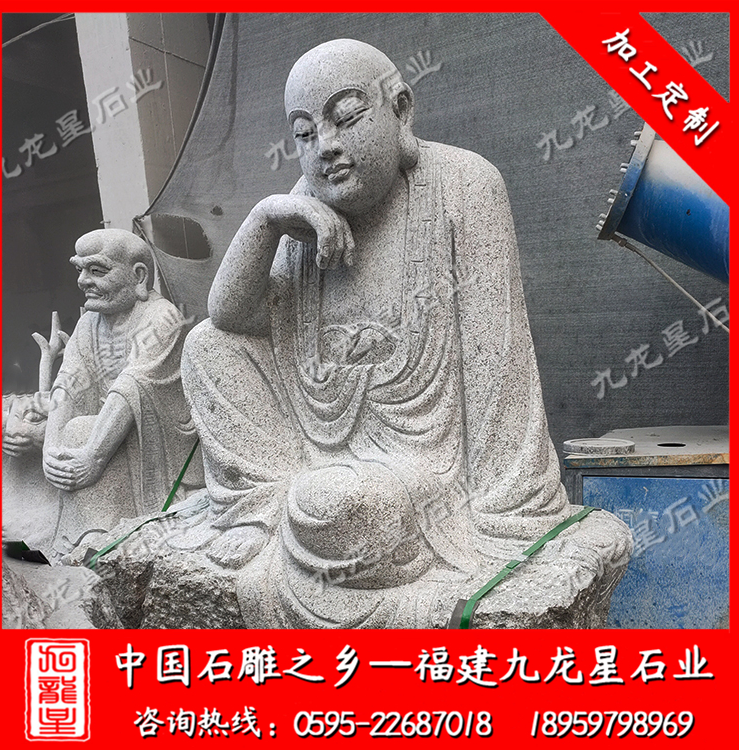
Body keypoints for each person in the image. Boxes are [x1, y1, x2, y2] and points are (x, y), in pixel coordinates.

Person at [179, 39, 575, 626]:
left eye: (346, 118)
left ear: (401, 110)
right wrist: (265, 221)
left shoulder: (465, 186)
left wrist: (502, 511)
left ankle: (311, 520)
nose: (326, 146)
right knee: (205, 347)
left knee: (342, 510)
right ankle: (262, 510)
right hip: (312, 444)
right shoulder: (301, 210)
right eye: (305, 133)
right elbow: (230, 319)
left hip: (424, 469)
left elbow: (498, 366)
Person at [43, 229, 200, 526]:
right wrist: (50, 447)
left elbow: (132, 386)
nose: (83, 281)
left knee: (81, 430)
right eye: (80, 270)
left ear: (139, 276)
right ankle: (89, 532)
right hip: (107, 432)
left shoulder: (162, 318)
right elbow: (68, 382)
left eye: (96, 270)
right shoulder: (88, 323)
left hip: (159, 443)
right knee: (74, 433)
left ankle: (100, 530)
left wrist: (93, 456)